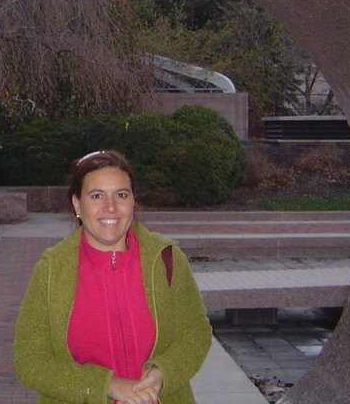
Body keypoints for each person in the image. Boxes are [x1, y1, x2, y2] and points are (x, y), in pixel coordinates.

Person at [13, 150, 211, 404]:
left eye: (121, 195)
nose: (111, 207)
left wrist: (164, 372)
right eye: (97, 196)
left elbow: (196, 332)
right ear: (77, 204)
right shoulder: (52, 270)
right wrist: (105, 385)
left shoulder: (166, 259)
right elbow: (30, 361)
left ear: (132, 201)